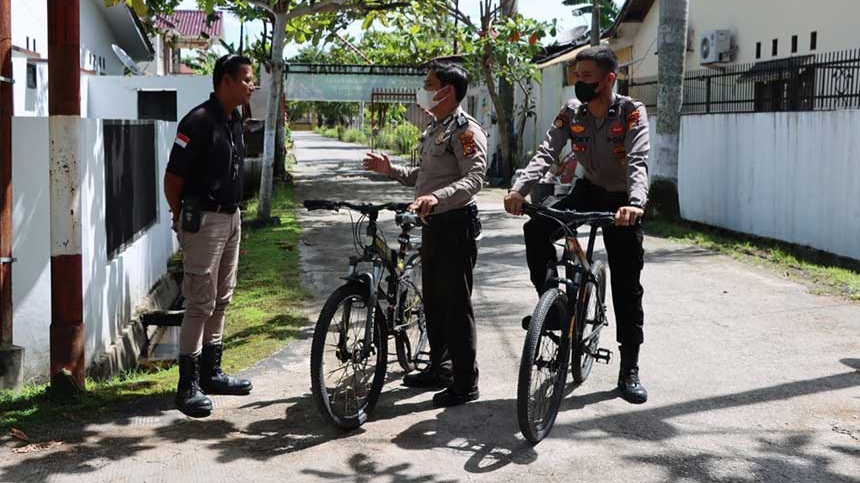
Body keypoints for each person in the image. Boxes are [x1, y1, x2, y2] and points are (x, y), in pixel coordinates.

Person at [503, 46, 651, 404]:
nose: (579, 83)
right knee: (536, 227)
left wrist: (634, 204)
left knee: (628, 285)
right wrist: (519, 189)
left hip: (622, 202)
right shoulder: (572, 112)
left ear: (608, 79)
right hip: (587, 191)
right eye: (577, 76)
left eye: (587, 77)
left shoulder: (631, 112)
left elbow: (638, 160)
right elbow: (545, 153)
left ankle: (629, 367)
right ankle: (552, 306)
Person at [363, 60, 487, 408]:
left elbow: (475, 178)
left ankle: (465, 383)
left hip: (455, 225)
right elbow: (425, 175)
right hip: (433, 224)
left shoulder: (465, 130)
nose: (424, 89)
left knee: (456, 306)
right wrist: (392, 170)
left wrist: (437, 198)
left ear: (447, 91)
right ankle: (440, 368)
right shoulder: (437, 128)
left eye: (429, 84)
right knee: (432, 301)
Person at [164, 55, 256, 418]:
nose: (252, 85)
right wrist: (178, 215)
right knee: (200, 301)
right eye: (247, 79)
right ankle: (186, 386)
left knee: (222, 298)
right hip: (203, 220)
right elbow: (173, 179)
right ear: (227, 80)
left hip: (231, 218)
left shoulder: (234, 119)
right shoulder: (198, 121)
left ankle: (211, 372)